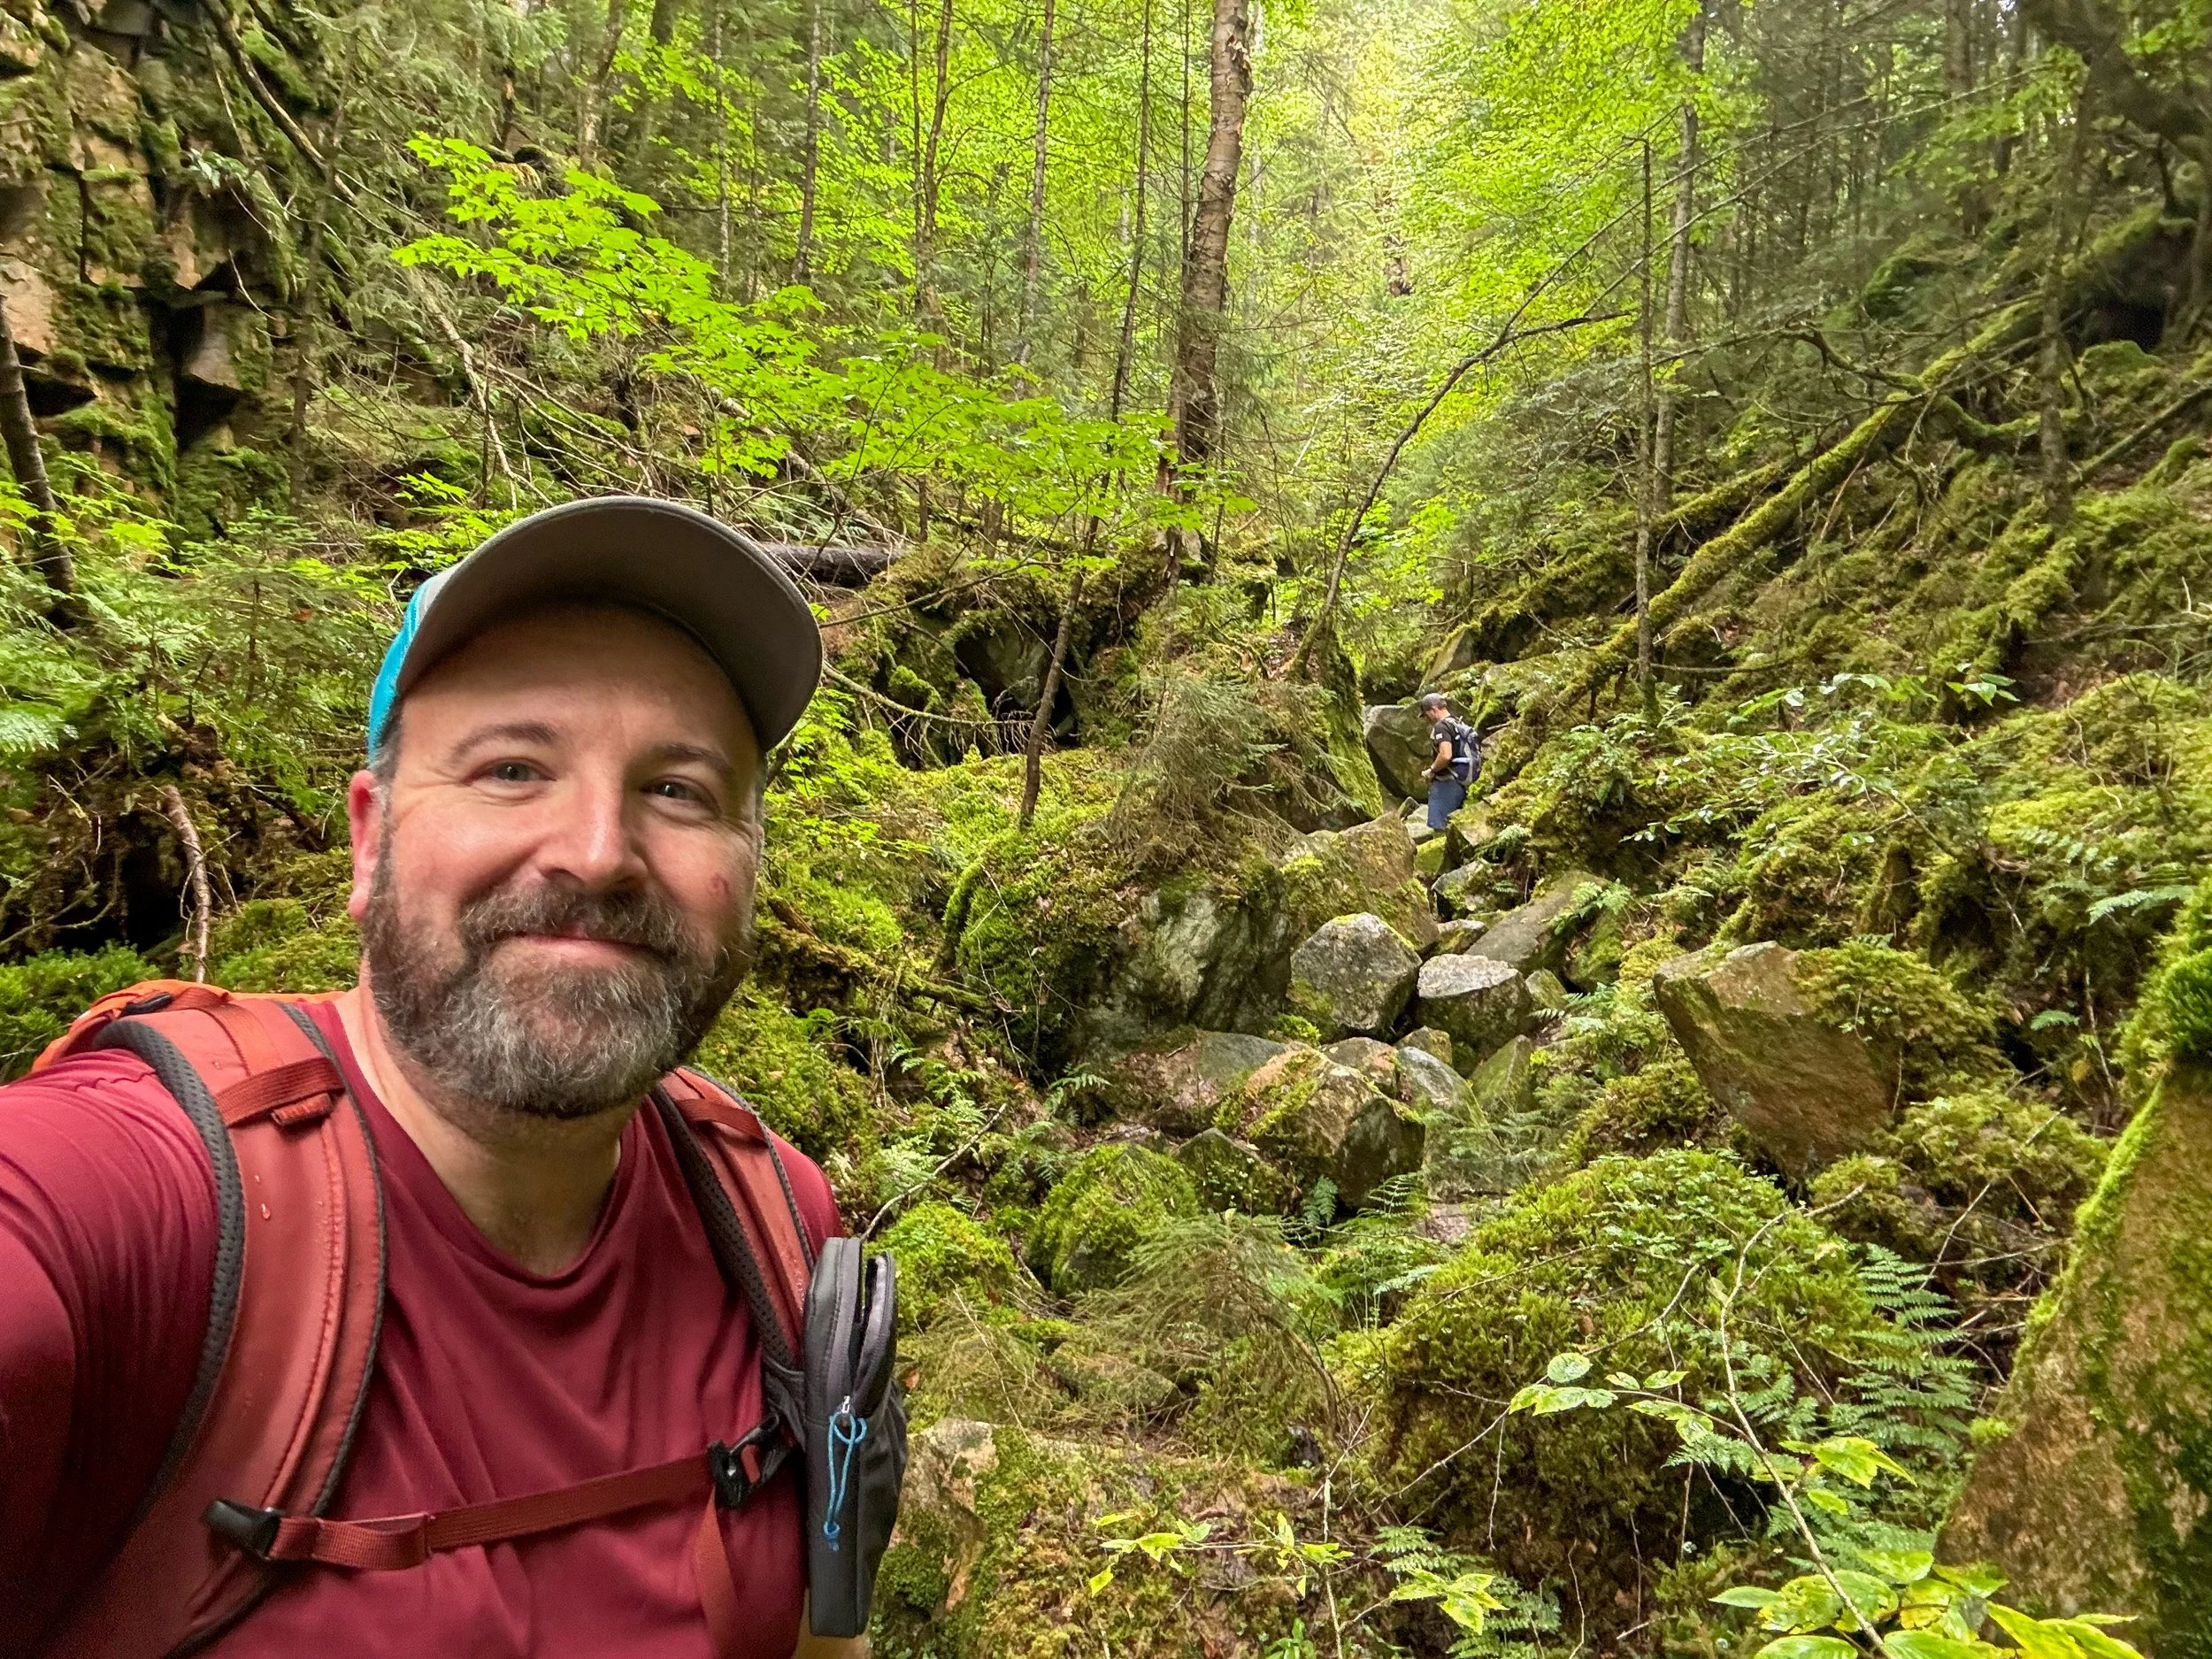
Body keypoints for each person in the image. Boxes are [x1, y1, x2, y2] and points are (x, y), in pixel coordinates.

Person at [0, 497, 871, 1659]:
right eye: (512, 767)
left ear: (749, 865)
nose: (598, 853)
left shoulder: (774, 1224)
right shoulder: (145, 1197)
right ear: (369, 841)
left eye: (678, 789)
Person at [1417, 690, 1479, 832]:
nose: (1427, 719)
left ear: (1433, 710)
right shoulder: (1457, 723)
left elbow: (1445, 755)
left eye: (1427, 715)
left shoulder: (1442, 726)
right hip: (1463, 781)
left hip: (1447, 783)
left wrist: (1431, 770)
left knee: (1439, 827)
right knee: (1453, 827)